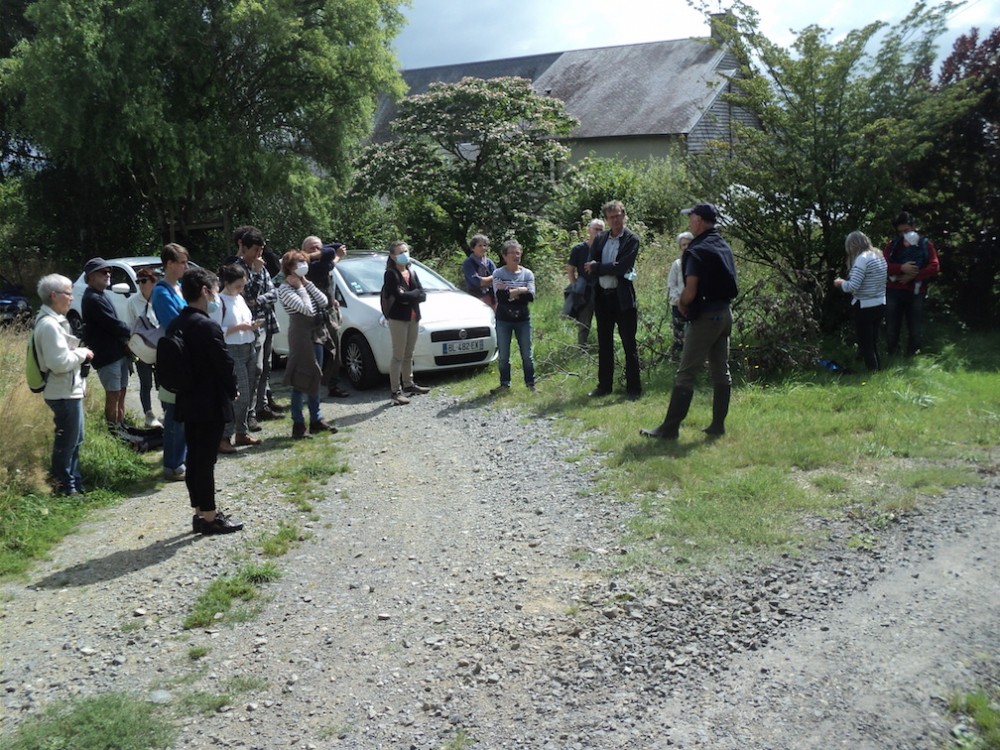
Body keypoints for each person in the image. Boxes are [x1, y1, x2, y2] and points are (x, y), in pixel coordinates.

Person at [641, 203, 738, 440]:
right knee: (720, 371)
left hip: (706, 317)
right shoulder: (722, 244)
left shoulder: (696, 250)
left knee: (686, 373)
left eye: (691, 217)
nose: (689, 222)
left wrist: (683, 305)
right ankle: (717, 426)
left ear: (700, 220)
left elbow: (690, 291)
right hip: (725, 314)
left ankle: (669, 428)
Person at [169, 267, 243, 535]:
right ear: (204, 291)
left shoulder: (176, 323)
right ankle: (211, 518)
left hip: (186, 400)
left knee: (195, 458)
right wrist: (232, 389)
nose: (215, 296)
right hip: (210, 402)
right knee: (206, 462)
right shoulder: (206, 325)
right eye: (213, 289)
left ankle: (200, 512)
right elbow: (224, 363)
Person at [33, 274, 94, 496]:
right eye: (68, 293)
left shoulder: (55, 321)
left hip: (67, 391)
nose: (71, 298)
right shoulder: (49, 325)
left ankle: (73, 483)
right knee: (67, 442)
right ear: (54, 296)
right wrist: (82, 352)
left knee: (75, 440)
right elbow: (58, 363)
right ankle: (64, 487)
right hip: (62, 392)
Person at [277, 250, 338, 437]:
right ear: (289, 268)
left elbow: (323, 301)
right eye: (298, 264)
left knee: (316, 376)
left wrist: (306, 284)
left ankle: (316, 419)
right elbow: (308, 309)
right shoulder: (284, 289)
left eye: (304, 262)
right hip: (301, 335)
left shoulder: (305, 283)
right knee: (301, 378)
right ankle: (298, 423)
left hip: (317, 333)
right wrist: (301, 289)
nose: (303, 266)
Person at [584, 201, 642, 399]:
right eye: (611, 217)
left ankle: (634, 389)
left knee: (629, 344)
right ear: (607, 219)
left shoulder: (631, 239)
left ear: (624, 216)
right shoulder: (600, 238)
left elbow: (622, 267)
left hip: (623, 299)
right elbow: (588, 265)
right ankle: (604, 386)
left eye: (618, 216)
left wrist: (598, 267)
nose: (615, 220)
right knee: (604, 344)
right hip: (603, 298)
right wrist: (596, 267)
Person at [229, 226, 281, 428]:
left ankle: (262, 406)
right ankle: (248, 414)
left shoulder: (262, 267)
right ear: (246, 248)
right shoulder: (238, 268)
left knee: (266, 367)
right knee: (255, 368)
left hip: (266, 322)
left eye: (261, 250)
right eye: (255, 250)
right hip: (249, 326)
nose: (259, 254)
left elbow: (273, 293)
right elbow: (245, 295)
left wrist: (258, 301)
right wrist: (257, 275)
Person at [214, 264, 264, 452]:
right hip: (232, 350)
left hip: (248, 346)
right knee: (238, 395)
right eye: (238, 286)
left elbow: (242, 321)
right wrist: (240, 327)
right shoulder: (219, 302)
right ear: (227, 282)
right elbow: (216, 330)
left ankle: (241, 432)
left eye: (243, 285)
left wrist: (251, 326)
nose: (241, 289)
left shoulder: (239, 298)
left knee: (249, 392)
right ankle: (224, 436)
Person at [151, 243, 189, 481]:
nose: (185, 266)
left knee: (184, 410)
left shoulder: (180, 287)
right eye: (182, 262)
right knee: (174, 412)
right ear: (169, 264)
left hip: (185, 355)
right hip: (173, 358)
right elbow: (175, 322)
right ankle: (171, 464)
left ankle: (181, 460)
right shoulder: (161, 292)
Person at [80, 258, 131, 431]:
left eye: (109, 271)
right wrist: (135, 331)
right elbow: (112, 324)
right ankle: (114, 432)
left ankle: (122, 427)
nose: (108, 274)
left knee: (122, 391)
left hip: (117, 353)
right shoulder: (92, 298)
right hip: (106, 356)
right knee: (113, 394)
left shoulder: (101, 294)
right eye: (103, 271)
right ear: (91, 277)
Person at [883, 211, 940, 356]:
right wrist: (901, 268)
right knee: (891, 327)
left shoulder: (925, 244)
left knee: (915, 327)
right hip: (893, 290)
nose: (903, 234)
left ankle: (912, 355)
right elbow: (883, 265)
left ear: (914, 226)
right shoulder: (893, 245)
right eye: (900, 231)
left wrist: (913, 275)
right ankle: (892, 354)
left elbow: (934, 266)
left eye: (906, 230)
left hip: (916, 291)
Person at [382, 241, 430, 405]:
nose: (404, 254)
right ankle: (395, 390)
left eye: (406, 250)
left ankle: (409, 384)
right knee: (398, 355)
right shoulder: (391, 274)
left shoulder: (412, 272)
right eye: (400, 251)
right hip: (398, 319)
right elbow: (399, 296)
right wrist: (413, 295)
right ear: (392, 256)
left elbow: (422, 295)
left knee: (409, 353)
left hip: (413, 317)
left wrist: (410, 295)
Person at [302, 234, 349, 398]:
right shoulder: (307, 264)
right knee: (314, 353)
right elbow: (329, 264)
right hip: (313, 316)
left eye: (318, 247)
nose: (316, 250)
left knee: (334, 351)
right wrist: (335, 256)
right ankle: (311, 388)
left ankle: (333, 384)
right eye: (311, 248)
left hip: (329, 312)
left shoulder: (323, 258)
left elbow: (335, 246)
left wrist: (333, 299)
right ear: (304, 251)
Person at [835, 231, 888, 372]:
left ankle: (872, 372)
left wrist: (841, 283)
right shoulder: (878, 255)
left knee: (866, 343)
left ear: (853, 245)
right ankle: (878, 369)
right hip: (880, 302)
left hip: (865, 306)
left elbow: (853, 286)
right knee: (874, 341)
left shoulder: (861, 259)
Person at [493, 239, 536, 391]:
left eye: (518, 253)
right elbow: (500, 297)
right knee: (504, 355)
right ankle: (505, 384)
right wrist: (521, 290)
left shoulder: (527, 273)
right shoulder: (498, 273)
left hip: (523, 319)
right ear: (504, 256)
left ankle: (530, 384)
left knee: (527, 354)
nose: (516, 256)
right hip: (503, 319)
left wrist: (511, 290)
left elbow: (530, 297)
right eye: (512, 253)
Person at [123, 268, 161, 428]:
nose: (140, 285)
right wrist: (131, 351)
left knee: (164, 383)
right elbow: (128, 327)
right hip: (142, 349)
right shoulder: (132, 302)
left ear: (154, 281)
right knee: (145, 383)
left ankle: (168, 413)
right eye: (138, 281)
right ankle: (148, 415)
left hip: (161, 348)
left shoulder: (161, 299)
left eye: (144, 281)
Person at [565, 218, 604, 346]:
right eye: (595, 229)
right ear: (589, 230)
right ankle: (582, 347)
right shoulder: (579, 249)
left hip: (602, 288)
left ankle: (603, 346)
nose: (598, 232)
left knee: (604, 320)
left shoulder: (605, 248)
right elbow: (571, 269)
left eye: (600, 230)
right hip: (585, 289)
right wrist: (575, 285)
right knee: (584, 321)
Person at [667, 232, 694, 357]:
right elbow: (672, 285)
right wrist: (678, 301)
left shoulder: (697, 263)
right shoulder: (677, 264)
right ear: (680, 247)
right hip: (678, 303)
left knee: (694, 333)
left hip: (694, 303)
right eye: (683, 245)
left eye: (689, 244)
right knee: (679, 333)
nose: (686, 247)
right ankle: (677, 357)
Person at [462, 234, 497, 309]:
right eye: (480, 245)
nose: (483, 248)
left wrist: (491, 279)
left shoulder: (489, 262)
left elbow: (498, 278)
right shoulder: (468, 263)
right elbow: (477, 281)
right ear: (473, 248)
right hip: (475, 298)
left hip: (491, 297)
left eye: (484, 245)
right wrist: (492, 278)